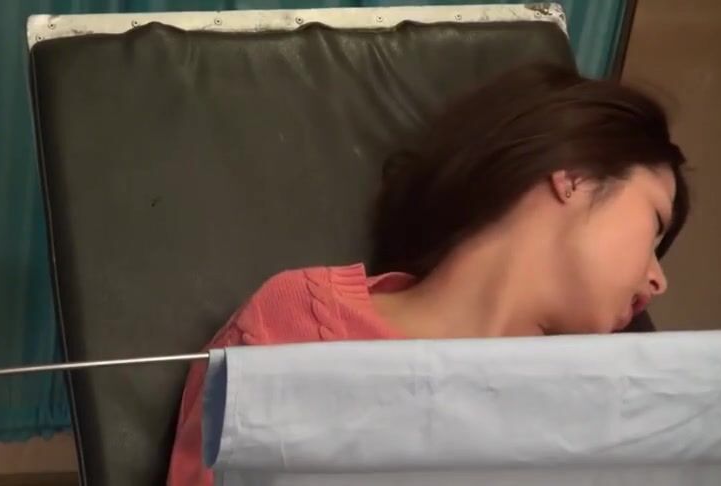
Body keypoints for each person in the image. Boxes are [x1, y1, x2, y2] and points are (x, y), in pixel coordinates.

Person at [167, 62, 690, 485]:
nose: (658, 280)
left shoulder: (595, 411)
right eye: (655, 225)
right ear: (576, 177)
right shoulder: (295, 321)